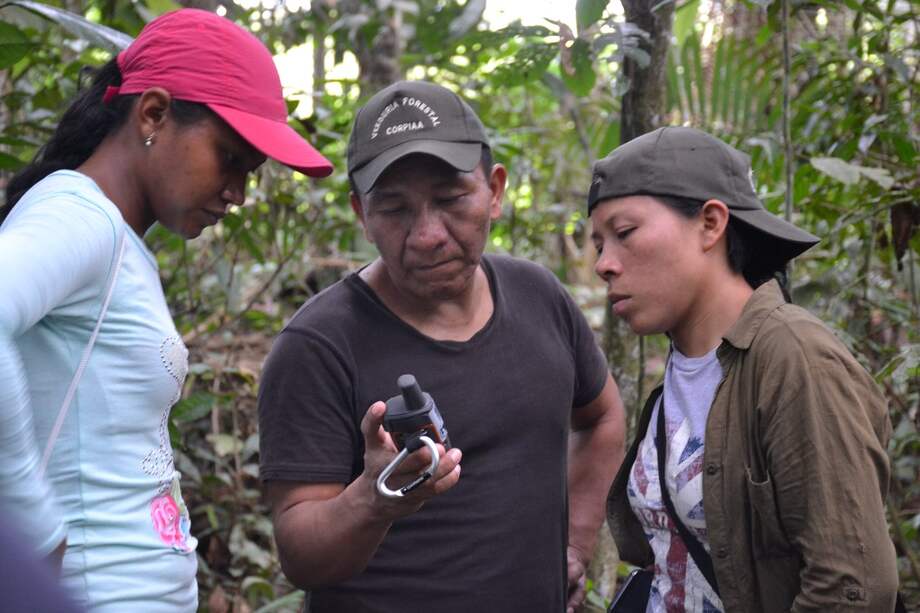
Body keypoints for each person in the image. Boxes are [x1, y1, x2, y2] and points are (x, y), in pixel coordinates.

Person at [0, 8, 332, 611]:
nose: (238, 193)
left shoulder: (116, 237)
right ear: (153, 113)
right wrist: (31, 527)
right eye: (229, 157)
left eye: (250, 173)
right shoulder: (80, 218)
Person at [257, 80, 626, 613]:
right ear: (361, 214)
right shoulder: (318, 346)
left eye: (451, 199)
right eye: (395, 209)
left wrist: (575, 544)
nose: (428, 234)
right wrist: (373, 498)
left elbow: (602, 418)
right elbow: (301, 555)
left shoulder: (539, 295)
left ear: (495, 191)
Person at [590, 127, 899, 612]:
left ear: (711, 224)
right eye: (598, 245)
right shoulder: (680, 369)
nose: (604, 264)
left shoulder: (794, 359)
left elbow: (852, 587)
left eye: (624, 233)